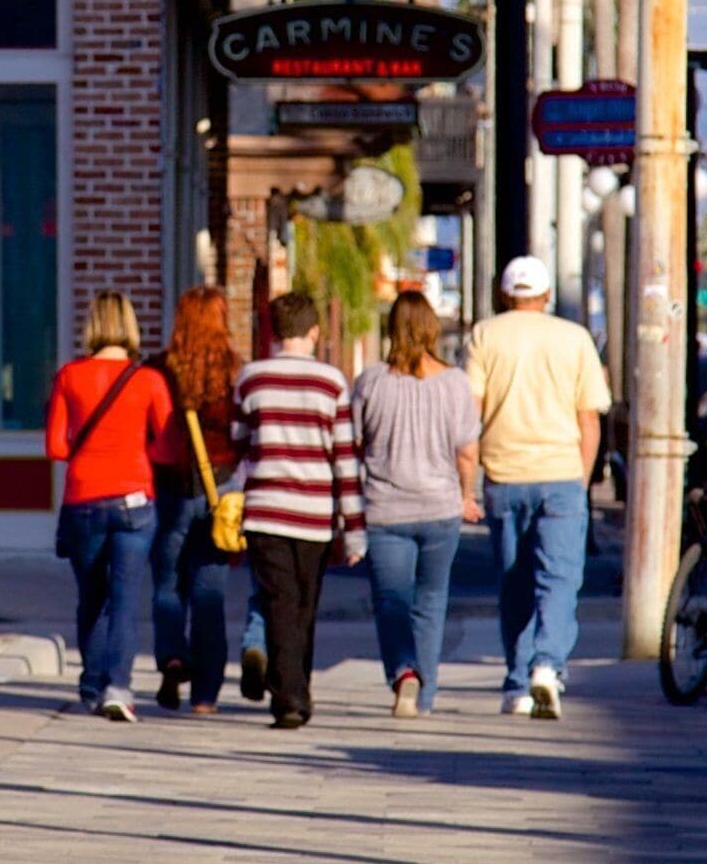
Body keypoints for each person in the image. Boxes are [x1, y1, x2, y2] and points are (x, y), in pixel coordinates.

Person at [465, 255, 609, 719]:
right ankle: (547, 664)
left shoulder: (485, 335)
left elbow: (471, 411)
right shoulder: (574, 339)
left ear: (507, 294)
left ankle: (515, 683)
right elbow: (590, 420)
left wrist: (468, 480)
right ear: (546, 295)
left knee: (514, 582)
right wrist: (581, 481)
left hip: (504, 475)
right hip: (561, 472)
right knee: (559, 579)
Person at [231, 291, 362, 730]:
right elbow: (345, 459)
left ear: (273, 331)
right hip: (315, 514)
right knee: (303, 605)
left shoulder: (251, 378)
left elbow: (238, 440)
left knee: (279, 602)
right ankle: (292, 694)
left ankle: (293, 690)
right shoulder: (332, 383)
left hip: (265, 510)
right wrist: (354, 528)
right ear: (314, 332)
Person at [352, 292, 482, 717]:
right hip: (440, 508)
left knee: (392, 601)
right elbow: (467, 451)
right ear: (430, 328)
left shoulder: (370, 383)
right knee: (431, 602)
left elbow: (354, 443)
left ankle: (405, 673)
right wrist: (466, 495)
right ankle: (424, 698)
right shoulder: (456, 383)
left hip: (385, 510)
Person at [45, 291, 173, 720]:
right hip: (135, 502)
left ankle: (91, 681)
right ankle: (119, 686)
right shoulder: (149, 380)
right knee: (124, 600)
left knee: (90, 598)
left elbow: (56, 447)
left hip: (83, 499)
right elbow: (169, 447)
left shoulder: (69, 376)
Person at [149, 286, 243, 715]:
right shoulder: (234, 374)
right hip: (218, 491)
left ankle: (171, 656)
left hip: (169, 488)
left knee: (168, 583)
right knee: (210, 593)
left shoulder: (158, 369)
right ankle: (205, 695)